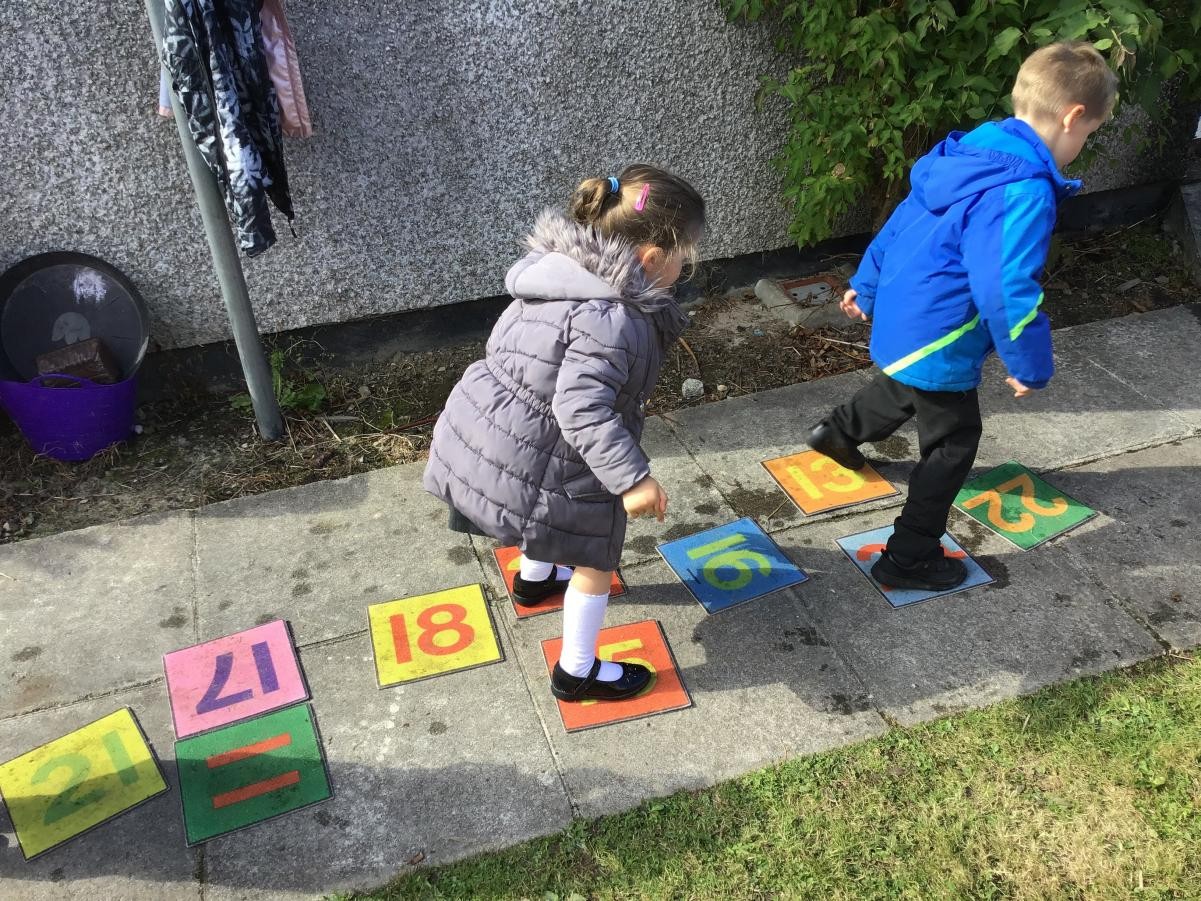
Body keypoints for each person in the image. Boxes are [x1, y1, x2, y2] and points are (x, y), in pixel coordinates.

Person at [808, 42, 1117, 591]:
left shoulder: (970, 152)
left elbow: (903, 219)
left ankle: (837, 433)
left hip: (907, 310)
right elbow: (1004, 284)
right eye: (1088, 134)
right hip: (943, 326)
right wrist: (1029, 363)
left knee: (912, 383)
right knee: (953, 441)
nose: (1081, 146)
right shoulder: (1023, 189)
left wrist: (868, 281)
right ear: (1072, 117)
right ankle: (908, 556)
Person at [424, 165, 705, 701]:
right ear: (650, 259)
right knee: (596, 554)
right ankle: (577, 671)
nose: (687, 264)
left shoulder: (558, 276)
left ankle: (533, 579)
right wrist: (632, 480)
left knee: (542, 505)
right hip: (549, 448)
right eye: (685, 253)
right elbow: (581, 410)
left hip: (495, 436)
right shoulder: (612, 318)